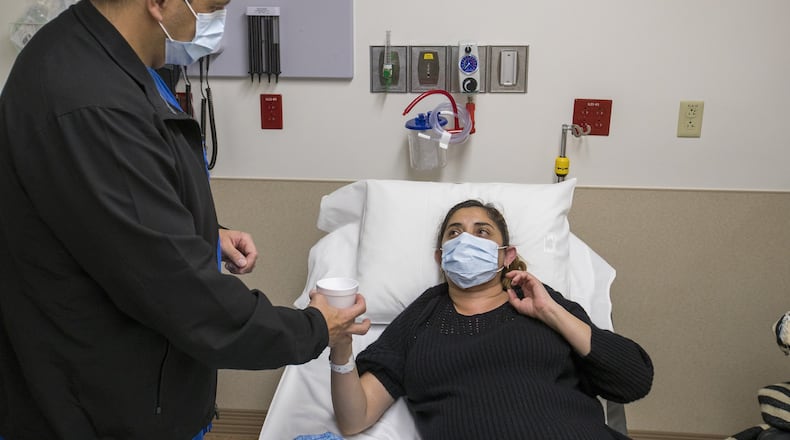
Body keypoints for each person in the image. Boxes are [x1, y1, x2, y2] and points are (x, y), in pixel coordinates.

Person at [0, 0, 370, 439]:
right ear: (157, 2)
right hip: (96, 411)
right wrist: (312, 328)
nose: (216, 23)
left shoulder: (107, 59)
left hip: (123, 386)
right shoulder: (91, 101)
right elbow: (185, 297)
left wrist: (204, 231)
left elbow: (114, 208)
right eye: (212, 7)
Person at [329, 200, 654, 439]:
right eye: (454, 233)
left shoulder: (542, 301)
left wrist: (551, 313)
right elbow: (354, 419)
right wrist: (341, 351)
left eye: (481, 232)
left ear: (506, 255)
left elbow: (634, 380)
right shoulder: (419, 319)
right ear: (441, 258)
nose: (466, 240)